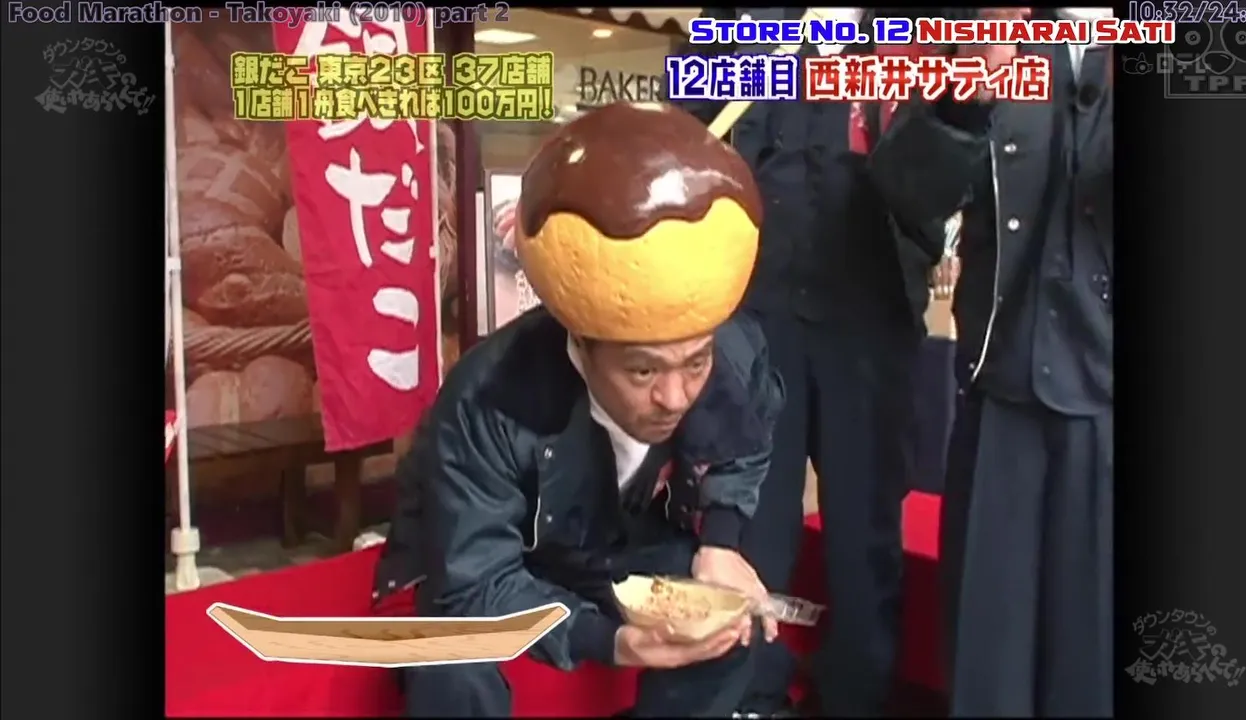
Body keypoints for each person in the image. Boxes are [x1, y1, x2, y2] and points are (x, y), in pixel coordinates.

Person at [373, 102, 786, 718]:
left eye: (693, 364)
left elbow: (744, 447)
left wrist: (721, 542)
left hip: (607, 548)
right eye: (643, 371)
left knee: (727, 620)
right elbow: (477, 580)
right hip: (489, 564)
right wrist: (607, 640)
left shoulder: (728, 351)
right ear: (581, 344)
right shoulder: (489, 397)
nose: (675, 396)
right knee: (451, 665)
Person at [675, 8, 953, 716]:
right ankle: (751, 695)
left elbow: (949, 156)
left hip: (870, 315)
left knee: (864, 532)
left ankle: (857, 696)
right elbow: (682, 128)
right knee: (752, 522)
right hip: (757, 310)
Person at [868, 7, 1115, 716]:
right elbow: (906, 191)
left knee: (1100, 659)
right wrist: (960, 103)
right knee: (989, 660)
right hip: (1001, 392)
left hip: (1108, 405)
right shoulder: (992, 29)